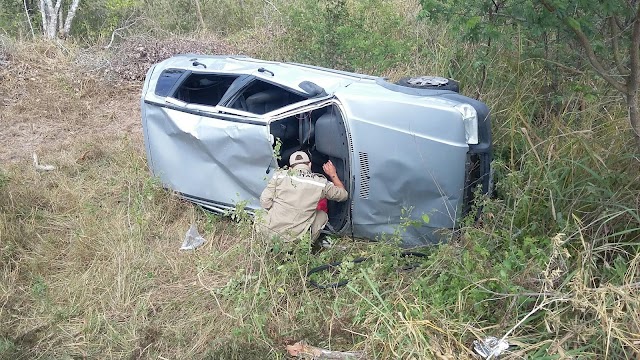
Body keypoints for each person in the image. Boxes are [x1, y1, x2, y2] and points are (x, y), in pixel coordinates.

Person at [259, 151, 348, 242]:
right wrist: (333, 174)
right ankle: (304, 243)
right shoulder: (320, 183)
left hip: (270, 235)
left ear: (290, 168)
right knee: (322, 215)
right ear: (310, 165)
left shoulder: (279, 176)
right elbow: (343, 195)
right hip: (295, 240)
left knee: (261, 213)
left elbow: (265, 202)